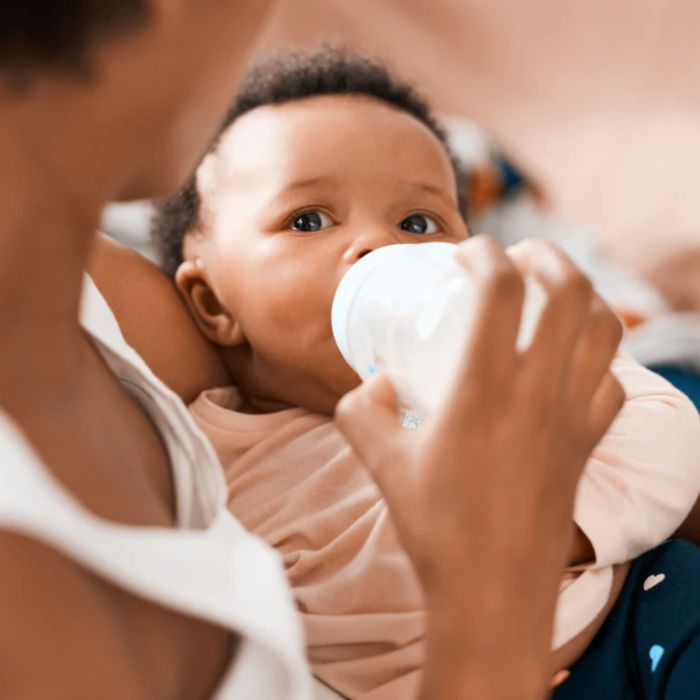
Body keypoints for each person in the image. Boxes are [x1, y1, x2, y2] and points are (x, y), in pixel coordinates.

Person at [0, 3, 626, 699]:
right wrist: (489, 600)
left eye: (417, 223)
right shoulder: (30, 594)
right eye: (307, 221)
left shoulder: (70, 275)